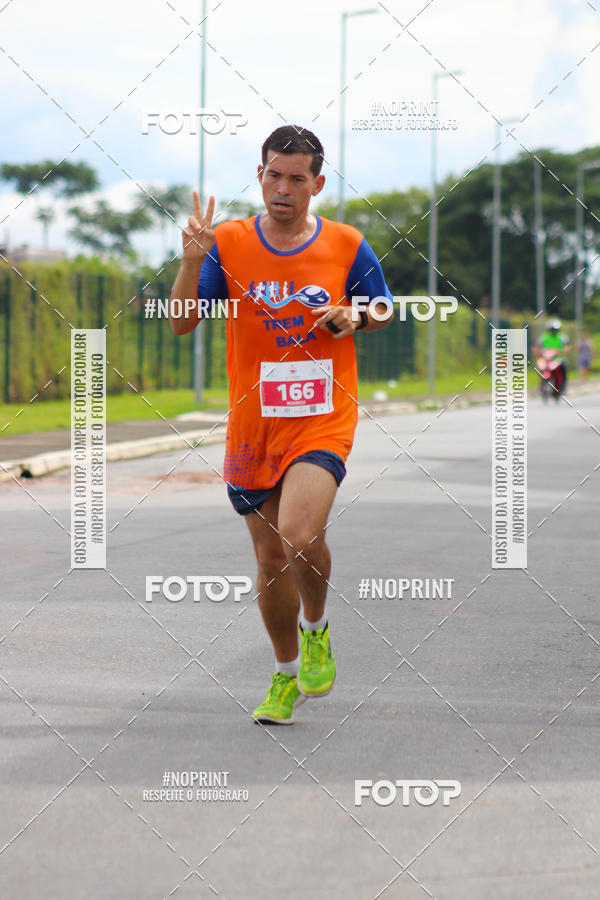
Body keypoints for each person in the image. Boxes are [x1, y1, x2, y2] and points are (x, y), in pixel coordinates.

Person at [169, 125, 393, 725]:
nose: (283, 188)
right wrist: (191, 261)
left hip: (322, 416)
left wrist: (354, 316)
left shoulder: (346, 243)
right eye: (274, 175)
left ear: (317, 184)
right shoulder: (228, 242)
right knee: (271, 560)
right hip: (254, 424)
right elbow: (183, 322)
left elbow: (383, 307)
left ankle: (316, 628)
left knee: (298, 533)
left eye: (297, 178)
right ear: (260, 175)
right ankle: (285, 675)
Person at [535, 318, 570, 391]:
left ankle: (563, 384)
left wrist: (562, 351)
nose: (553, 331)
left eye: (555, 329)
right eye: (552, 329)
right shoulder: (544, 336)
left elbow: (567, 347)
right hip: (546, 358)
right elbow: (536, 346)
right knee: (539, 366)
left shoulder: (562, 336)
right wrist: (538, 352)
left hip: (557, 358)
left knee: (563, 366)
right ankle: (541, 384)